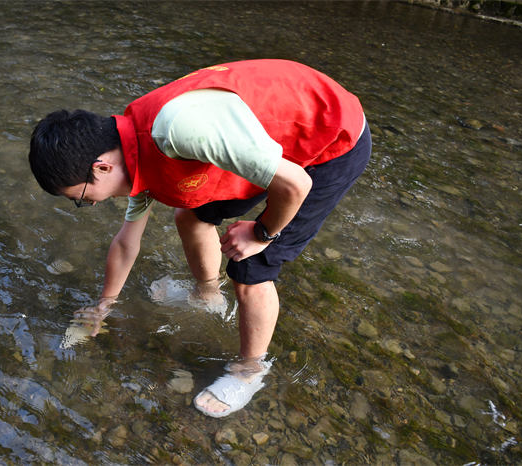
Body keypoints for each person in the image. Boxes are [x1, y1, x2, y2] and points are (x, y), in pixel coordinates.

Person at [28, 59, 371, 417]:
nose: (89, 204)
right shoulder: (128, 149)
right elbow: (127, 242)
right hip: (266, 137)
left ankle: (249, 372)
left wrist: (262, 232)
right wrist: (104, 305)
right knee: (190, 215)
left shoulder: (177, 132)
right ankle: (208, 294)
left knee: (250, 265)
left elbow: (296, 183)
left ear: (101, 168)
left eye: (80, 198)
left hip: (331, 139)